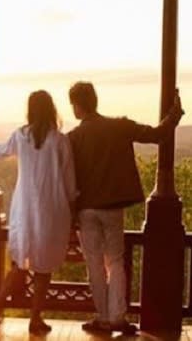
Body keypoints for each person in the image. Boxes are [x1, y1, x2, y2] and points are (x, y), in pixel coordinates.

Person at [67, 81, 184, 334]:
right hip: (112, 207)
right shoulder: (119, 126)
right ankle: (118, 317)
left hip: (86, 209)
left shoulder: (73, 138)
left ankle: (102, 317)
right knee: (116, 262)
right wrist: (174, 115)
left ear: (77, 106)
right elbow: (156, 135)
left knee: (95, 264)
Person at [0, 90, 77, 335]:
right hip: (52, 210)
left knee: (19, 265)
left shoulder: (21, 136)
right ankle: (35, 318)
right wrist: (73, 207)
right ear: (51, 109)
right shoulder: (60, 140)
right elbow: (69, 180)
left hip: (25, 209)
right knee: (44, 269)